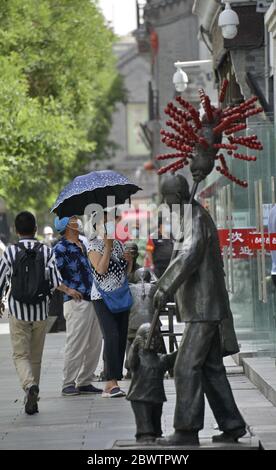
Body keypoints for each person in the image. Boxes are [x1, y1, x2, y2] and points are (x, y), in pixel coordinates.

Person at [153, 174, 246, 446]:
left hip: (204, 308)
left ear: (178, 198)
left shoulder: (194, 218)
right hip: (203, 306)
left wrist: (165, 287)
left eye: (168, 200)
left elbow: (188, 257)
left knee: (185, 366)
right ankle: (233, 425)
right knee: (210, 368)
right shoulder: (190, 218)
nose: (166, 205)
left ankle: (186, 430)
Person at [0, 211, 81, 415]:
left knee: (20, 354)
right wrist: (69, 290)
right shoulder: (46, 251)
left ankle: (29, 386)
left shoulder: (9, 252)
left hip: (18, 311)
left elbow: (1, 279)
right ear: (35, 229)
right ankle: (33, 398)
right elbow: (55, 281)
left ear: (16, 231)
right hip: (40, 311)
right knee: (35, 358)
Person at [54, 216, 103, 397]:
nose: (78, 220)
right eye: (74, 218)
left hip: (94, 298)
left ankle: (85, 381)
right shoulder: (60, 248)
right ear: (67, 225)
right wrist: (67, 290)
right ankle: (68, 383)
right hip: (77, 302)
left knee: (94, 344)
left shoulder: (84, 244)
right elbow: (52, 274)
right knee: (76, 343)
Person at [88, 211, 133, 398]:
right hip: (102, 298)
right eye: (106, 223)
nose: (110, 226)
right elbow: (101, 269)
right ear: (97, 226)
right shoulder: (93, 246)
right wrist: (107, 246)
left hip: (121, 297)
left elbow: (125, 274)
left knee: (121, 337)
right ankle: (110, 381)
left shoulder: (119, 244)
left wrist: (129, 261)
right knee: (112, 336)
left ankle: (113, 380)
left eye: (112, 222)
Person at [127, 323, 177, 443]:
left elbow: (174, 358)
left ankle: (156, 433)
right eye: (148, 337)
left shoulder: (161, 359)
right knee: (145, 423)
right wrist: (134, 347)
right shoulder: (138, 358)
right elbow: (130, 363)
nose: (154, 340)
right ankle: (144, 435)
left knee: (156, 420)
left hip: (157, 397)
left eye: (156, 337)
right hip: (140, 397)